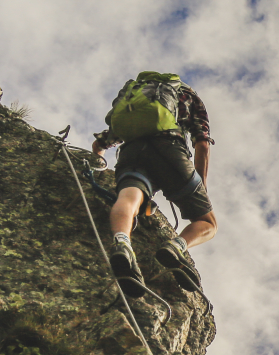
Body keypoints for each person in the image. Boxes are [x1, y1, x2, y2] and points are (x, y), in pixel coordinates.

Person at [91, 72, 216, 294]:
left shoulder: (134, 96)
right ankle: (175, 247)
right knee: (207, 223)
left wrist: (99, 159)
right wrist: (201, 189)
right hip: (169, 149)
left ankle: (121, 242)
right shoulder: (187, 95)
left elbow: (101, 143)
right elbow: (202, 145)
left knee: (129, 198)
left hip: (131, 151)